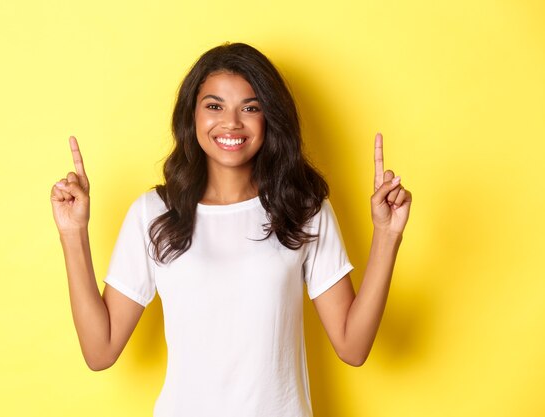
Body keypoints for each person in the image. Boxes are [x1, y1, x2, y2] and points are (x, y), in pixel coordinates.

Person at [50, 42, 412, 417]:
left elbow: (353, 348)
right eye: (214, 105)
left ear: (269, 118)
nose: (231, 123)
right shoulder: (154, 213)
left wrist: (387, 236)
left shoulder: (303, 210)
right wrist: (73, 232)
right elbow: (100, 350)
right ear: (192, 115)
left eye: (251, 108)